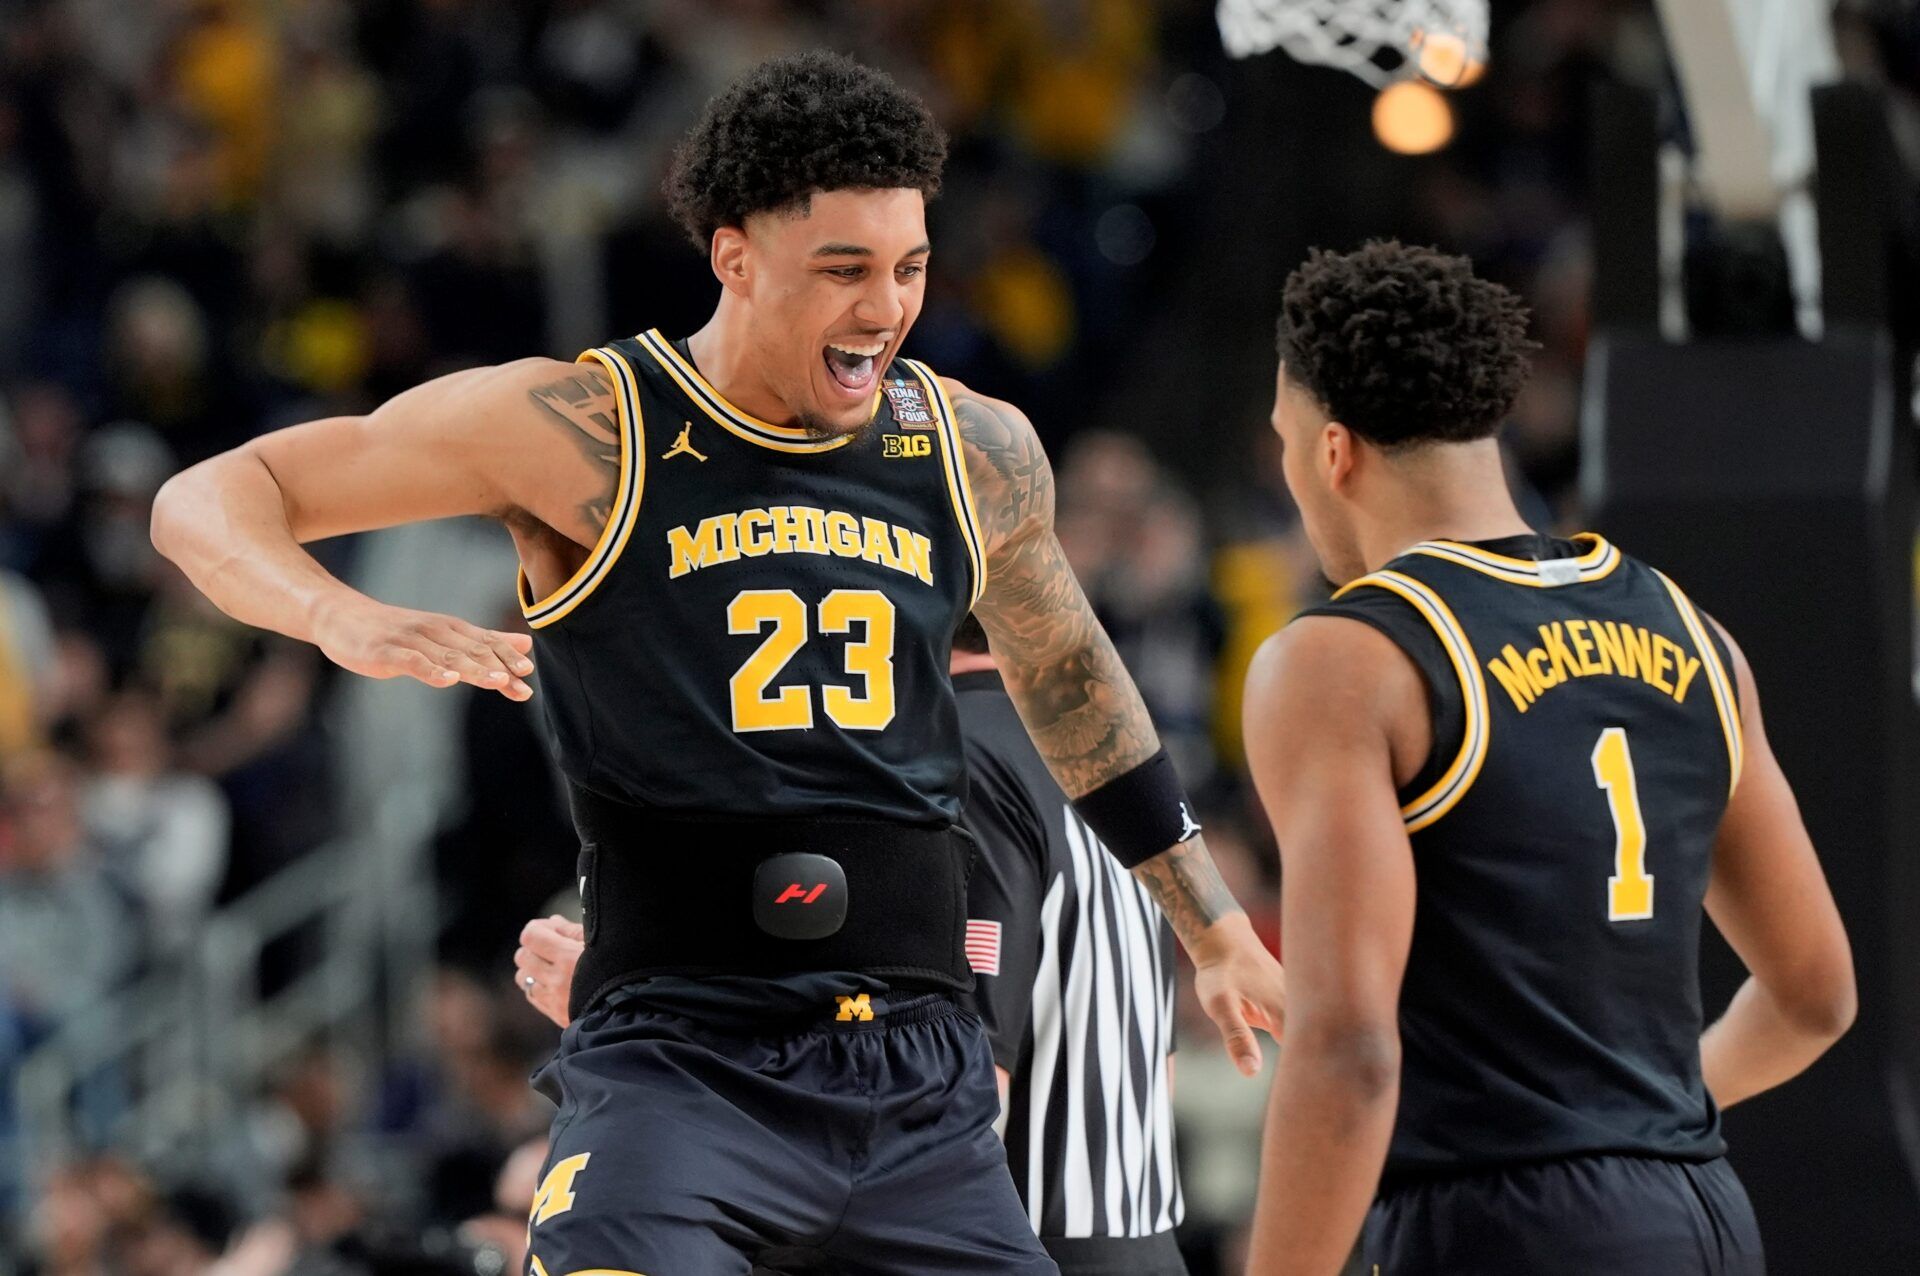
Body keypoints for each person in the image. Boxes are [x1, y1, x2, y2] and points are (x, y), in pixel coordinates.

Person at [152, 52, 1283, 1276]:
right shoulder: (590, 426)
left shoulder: (971, 445)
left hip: (921, 1081)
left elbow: (1073, 682)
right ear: (733, 256)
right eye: (842, 270)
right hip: (682, 1062)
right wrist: (334, 615)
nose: (884, 307)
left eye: (906, 268)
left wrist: (1211, 924)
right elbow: (213, 495)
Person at [1240, 241, 1856, 1275]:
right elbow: (1816, 995)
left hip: (1507, 1222)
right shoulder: (1694, 633)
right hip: (1701, 1208)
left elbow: (1346, 1050)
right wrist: (1626, 1125)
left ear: (1333, 453)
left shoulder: (1346, 659)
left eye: (1286, 445)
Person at [518, 610, 1189, 1276]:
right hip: (1146, 1239)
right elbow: (1160, 1068)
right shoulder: (1105, 771)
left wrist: (635, 997)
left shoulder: (946, 767)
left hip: (1021, 1240)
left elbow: (959, 1085)